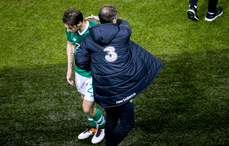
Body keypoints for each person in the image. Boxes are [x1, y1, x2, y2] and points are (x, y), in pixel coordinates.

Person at [75, 5, 164, 146]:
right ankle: (110, 144)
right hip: (124, 87)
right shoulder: (124, 31)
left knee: (111, 117)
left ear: (102, 20)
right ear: (114, 19)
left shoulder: (88, 38)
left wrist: (96, 66)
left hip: (104, 89)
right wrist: (102, 19)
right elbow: (124, 23)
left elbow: (80, 62)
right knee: (128, 123)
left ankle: (109, 142)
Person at [62, 8, 106, 144]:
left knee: (87, 108)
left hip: (94, 75)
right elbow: (70, 45)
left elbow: (117, 29)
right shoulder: (71, 30)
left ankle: (103, 127)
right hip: (80, 73)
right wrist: (69, 69)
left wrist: (101, 20)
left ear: (79, 23)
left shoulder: (95, 30)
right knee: (85, 101)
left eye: (70, 28)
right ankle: (93, 128)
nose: (68, 30)